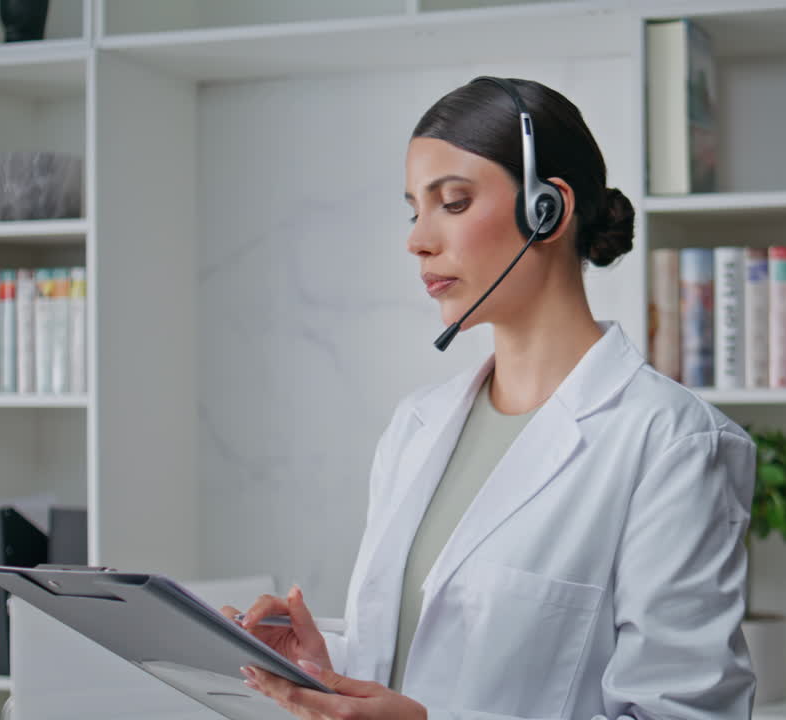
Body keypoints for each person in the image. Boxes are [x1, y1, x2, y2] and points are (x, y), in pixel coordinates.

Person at [224, 77, 757, 720]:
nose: (417, 240)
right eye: (413, 209)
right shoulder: (415, 426)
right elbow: (423, 665)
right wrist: (323, 665)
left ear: (547, 211)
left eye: (452, 202)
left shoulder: (673, 444)